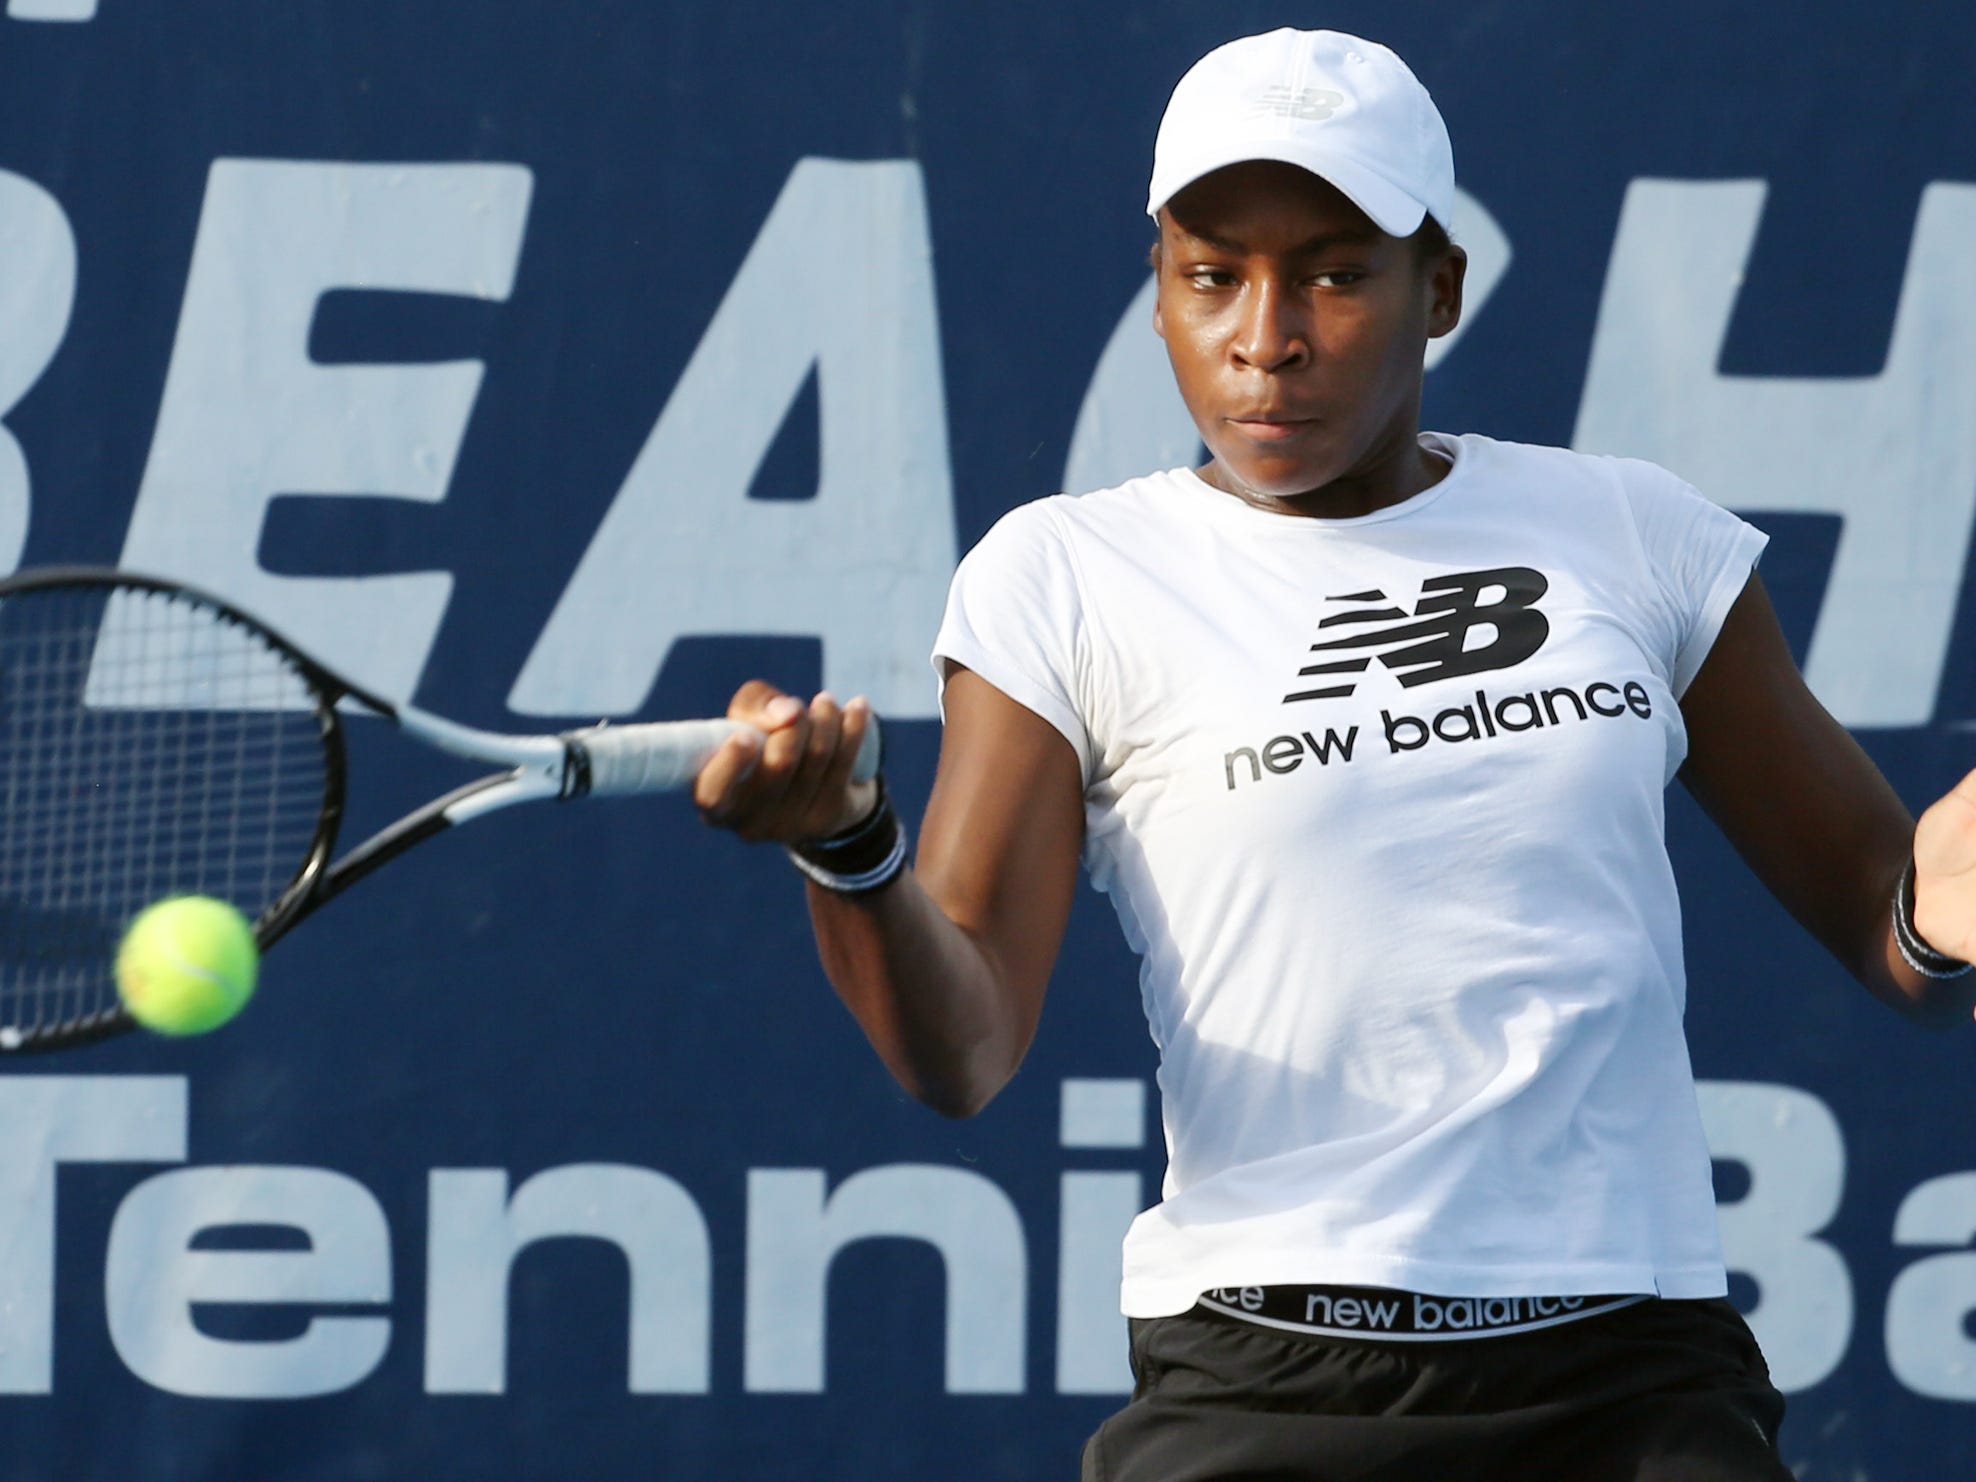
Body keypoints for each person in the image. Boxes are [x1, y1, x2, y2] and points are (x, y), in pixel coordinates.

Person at [692, 27, 1976, 1481]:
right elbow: (965, 1046)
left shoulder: (1636, 535)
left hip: (1638, 1382)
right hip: (1261, 1374)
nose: (1265, 335)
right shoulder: (1065, 575)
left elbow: (1895, 932)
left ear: (1439, 289)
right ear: (1162, 288)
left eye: (1335, 271)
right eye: (1211, 274)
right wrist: (851, 851)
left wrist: (1942, 914)